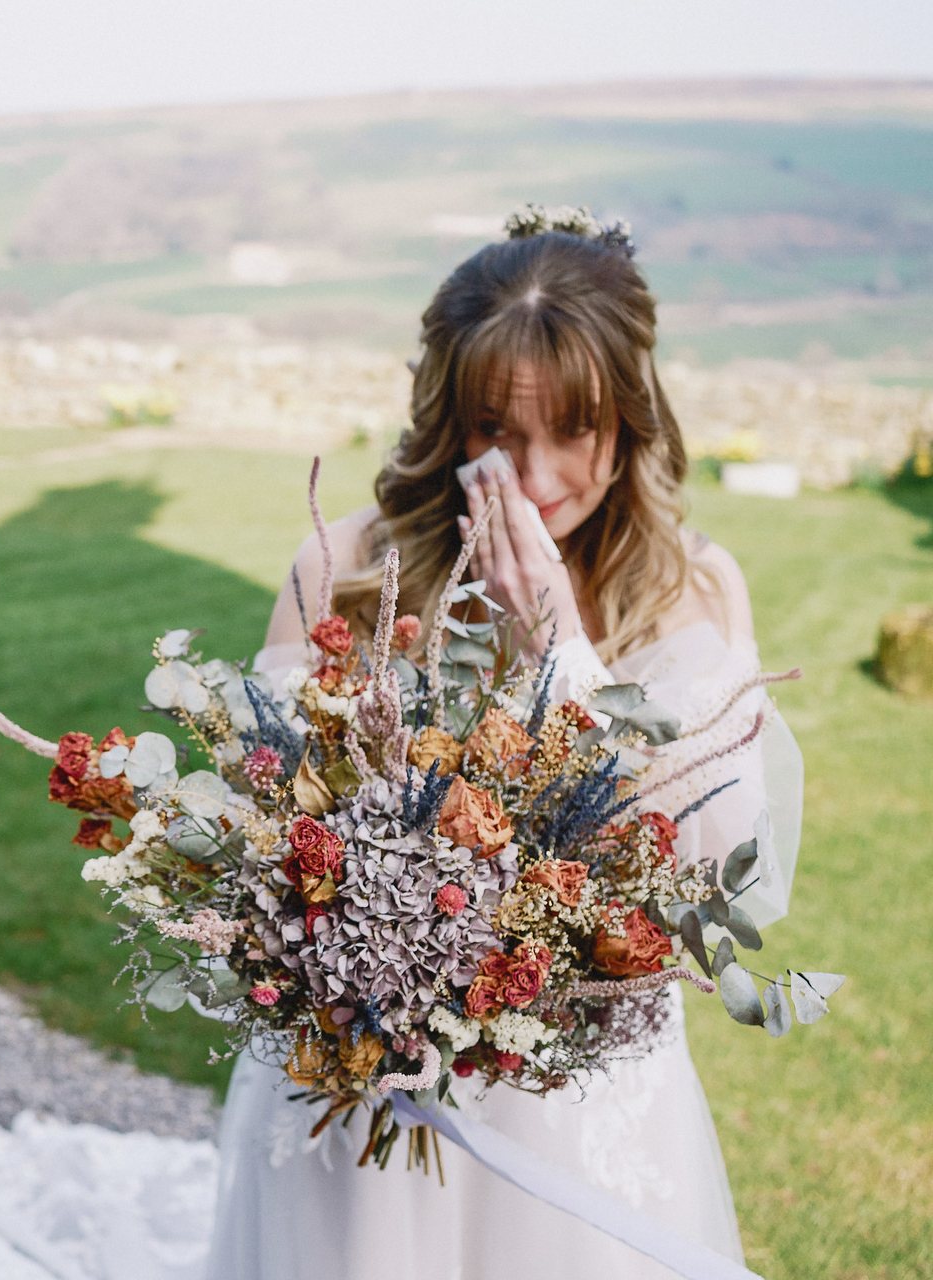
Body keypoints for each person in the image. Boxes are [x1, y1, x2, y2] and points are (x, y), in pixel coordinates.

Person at [204, 213, 802, 1279]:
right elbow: (273, 833)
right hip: (365, 1090)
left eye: (572, 427)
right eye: (493, 429)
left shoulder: (690, 588)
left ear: (628, 415)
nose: (531, 472)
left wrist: (558, 645)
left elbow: (711, 861)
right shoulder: (342, 566)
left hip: (575, 1097)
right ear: (445, 420)